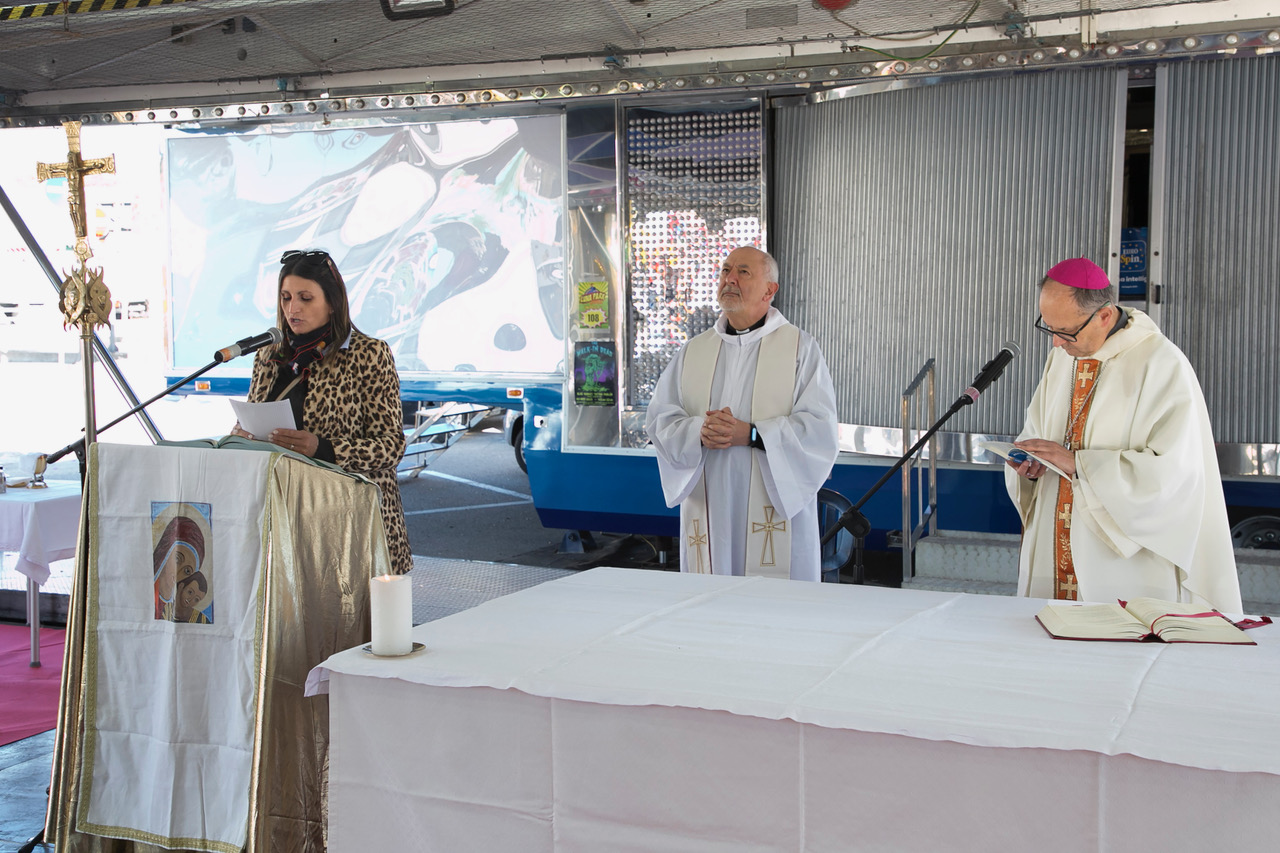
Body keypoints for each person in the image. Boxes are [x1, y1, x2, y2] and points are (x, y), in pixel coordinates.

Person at [1005, 257, 1242, 611]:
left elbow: (1174, 475)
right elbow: (1039, 428)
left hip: (1123, 560)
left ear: (1103, 316)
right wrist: (1032, 463)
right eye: (1048, 328)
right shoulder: (1063, 356)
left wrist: (1079, 466)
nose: (1055, 343)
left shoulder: (1161, 364)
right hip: (1053, 541)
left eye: (1066, 332)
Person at [645, 246, 840, 581]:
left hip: (773, 511)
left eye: (743, 272)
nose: (729, 279)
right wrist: (698, 432)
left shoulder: (799, 349)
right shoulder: (694, 350)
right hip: (710, 507)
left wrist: (751, 434)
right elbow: (660, 419)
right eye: (725, 270)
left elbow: (819, 431)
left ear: (770, 290)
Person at [231, 249, 412, 574]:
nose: (292, 308)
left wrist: (323, 448)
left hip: (354, 525)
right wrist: (241, 436)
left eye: (305, 298)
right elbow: (253, 420)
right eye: (285, 298)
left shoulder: (369, 355)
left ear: (332, 302)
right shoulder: (269, 357)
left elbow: (392, 447)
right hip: (286, 519)